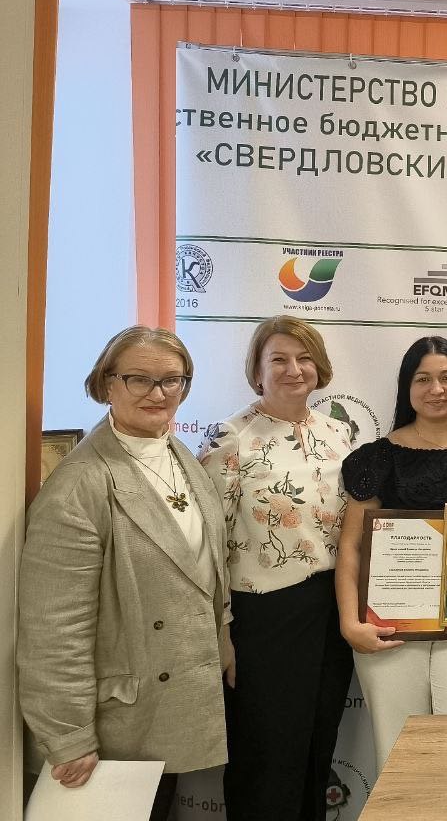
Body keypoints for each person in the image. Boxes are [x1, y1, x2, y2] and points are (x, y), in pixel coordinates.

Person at [18, 326, 232, 821]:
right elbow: (54, 628)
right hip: (116, 720)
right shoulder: (79, 484)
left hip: (170, 701)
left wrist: (223, 640)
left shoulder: (180, 455)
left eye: (172, 380)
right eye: (139, 379)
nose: (158, 393)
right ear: (106, 384)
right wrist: (68, 735)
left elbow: (205, 572)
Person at [198, 316, 353, 821]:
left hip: (331, 609)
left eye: (304, 358)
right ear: (257, 371)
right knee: (265, 758)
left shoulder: (339, 433)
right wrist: (223, 635)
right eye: (279, 359)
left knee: (316, 749)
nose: (294, 369)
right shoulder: (231, 438)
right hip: (263, 616)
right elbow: (208, 547)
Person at [337, 336, 447, 772]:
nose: (437, 390)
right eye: (423, 379)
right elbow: (351, 546)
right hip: (389, 628)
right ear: (406, 387)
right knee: (397, 757)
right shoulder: (376, 458)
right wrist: (349, 623)